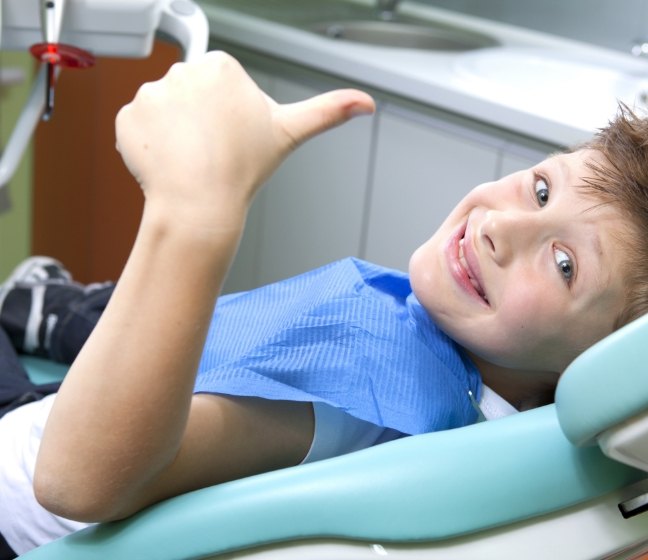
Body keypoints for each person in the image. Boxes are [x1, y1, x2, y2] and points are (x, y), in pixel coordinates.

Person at [0, 50, 646, 556]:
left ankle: (55, 309)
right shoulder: (465, 387)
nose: (500, 228)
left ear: (591, 364)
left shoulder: (358, 404)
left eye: (564, 265)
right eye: (540, 189)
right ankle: (61, 311)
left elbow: (78, 482)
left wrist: (195, 213)